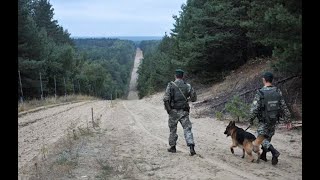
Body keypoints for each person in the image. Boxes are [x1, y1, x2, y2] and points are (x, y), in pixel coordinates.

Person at [248, 72, 292, 165]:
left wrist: (250, 119)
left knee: (260, 138)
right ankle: (264, 155)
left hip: (264, 120)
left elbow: (254, 109)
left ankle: (274, 151)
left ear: (264, 80)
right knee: (267, 137)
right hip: (274, 120)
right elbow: (284, 106)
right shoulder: (277, 91)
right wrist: (288, 120)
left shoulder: (260, 92)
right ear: (272, 80)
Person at [163, 69, 197, 156]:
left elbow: (166, 99)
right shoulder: (188, 86)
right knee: (187, 129)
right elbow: (194, 98)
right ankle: (191, 147)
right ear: (183, 76)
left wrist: (169, 111)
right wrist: (187, 99)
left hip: (173, 111)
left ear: (175, 76)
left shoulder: (170, 85)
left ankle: (173, 147)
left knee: (172, 130)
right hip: (184, 111)